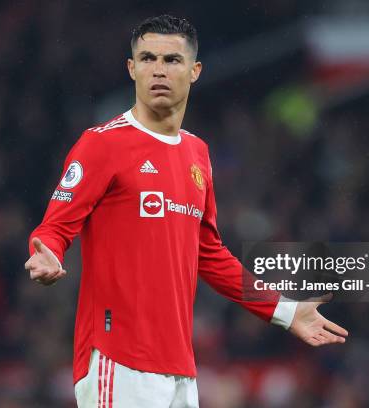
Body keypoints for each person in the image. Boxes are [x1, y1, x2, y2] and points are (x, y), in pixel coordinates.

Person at [24, 14, 348, 407]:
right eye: (147, 58)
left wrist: (283, 310)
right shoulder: (102, 145)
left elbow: (209, 253)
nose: (158, 70)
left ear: (194, 71)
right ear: (131, 68)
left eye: (171, 60)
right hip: (118, 360)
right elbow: (55, 227)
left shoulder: (197, 153)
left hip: (179, 369)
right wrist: (48, 252)